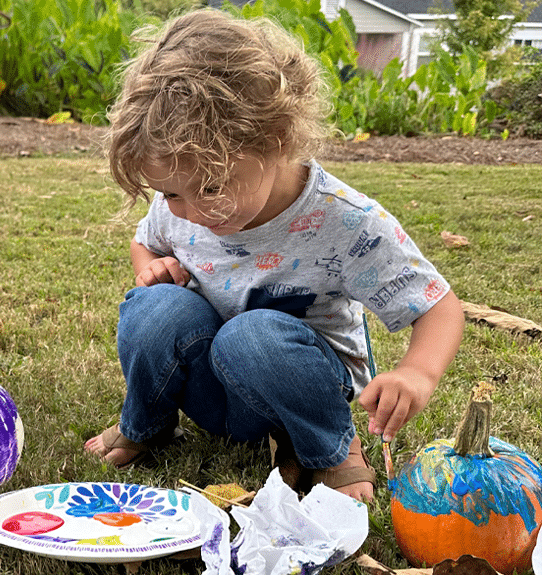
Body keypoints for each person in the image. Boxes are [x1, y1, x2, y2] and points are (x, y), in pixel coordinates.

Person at [84, 9, 464, 501]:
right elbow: (147, 240)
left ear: (276, 140)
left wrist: (417, 373)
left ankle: (332, 448)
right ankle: (147, 423)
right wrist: (150, 266)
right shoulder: (179, 200)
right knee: (153, 308)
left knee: (253, 335)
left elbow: (438, 305)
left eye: (213, 186)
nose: (192, 212)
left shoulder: (345, 221)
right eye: (172, 193)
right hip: (212, 389)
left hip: (294, 387)